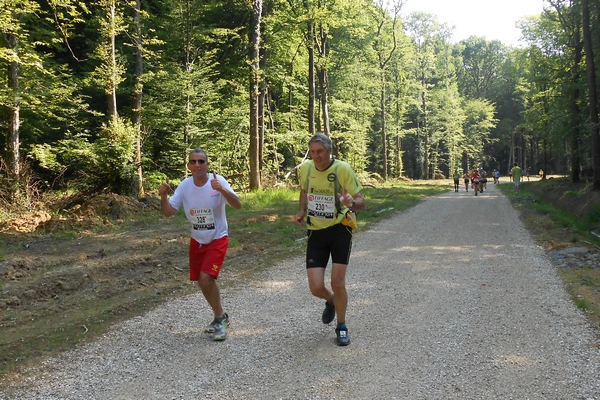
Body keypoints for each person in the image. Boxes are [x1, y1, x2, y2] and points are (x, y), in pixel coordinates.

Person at [159, 148, 242, 341]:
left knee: (206, 278)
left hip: (217, 237)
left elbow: (238, 204)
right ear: (188, 165)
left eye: (201, 161)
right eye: (193, 162)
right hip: (197, 239)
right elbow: (169, 212)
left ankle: (221, 319)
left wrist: (221, 190)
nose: (197, 165)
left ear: (207, 164)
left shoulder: (218, 181)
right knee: (201, 281)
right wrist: (163, 196)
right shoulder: (185, 185)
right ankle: (218, 316)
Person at [294, 133, 365, 346]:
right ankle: (331, 301)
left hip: (340, 229)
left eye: (320, 152)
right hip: (316, 231)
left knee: (337, 282)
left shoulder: (342, 169)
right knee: (316, 287)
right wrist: (301, 210)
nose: (316, 156)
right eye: (313, 152)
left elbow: (362, 201)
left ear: (329, 152)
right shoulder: (306, 168)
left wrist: (351, 203)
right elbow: (304, 191)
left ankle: (341, 326)